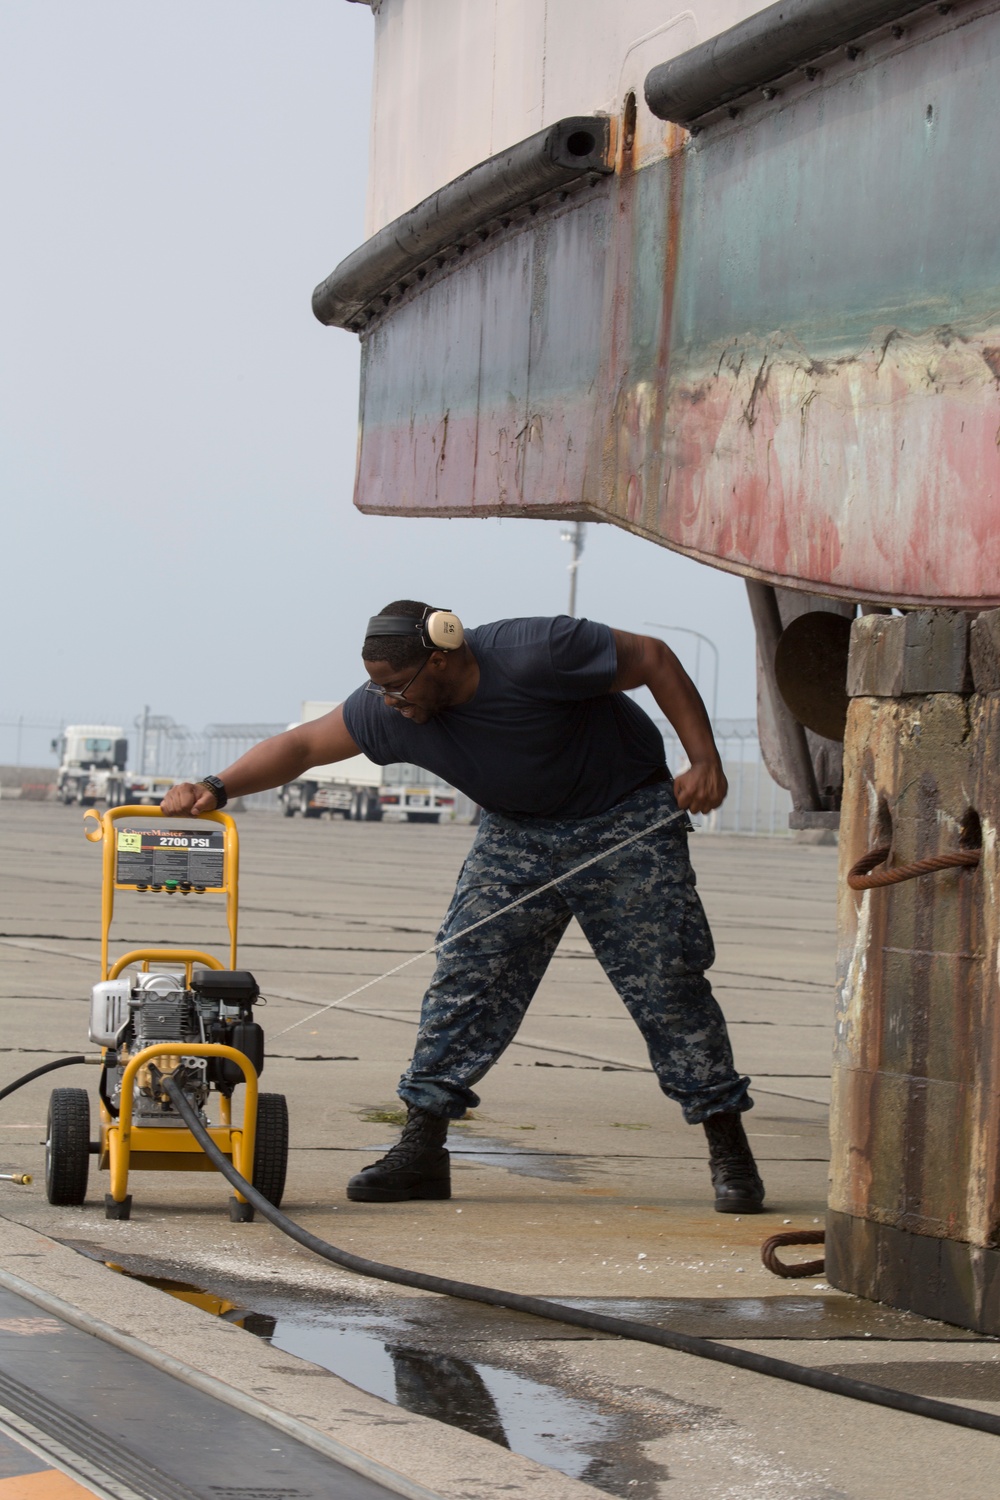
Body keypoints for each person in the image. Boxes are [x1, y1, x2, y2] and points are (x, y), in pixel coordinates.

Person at [163, 601, 765, 1214]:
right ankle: (421, 1150)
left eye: (398, 686)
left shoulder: (538, 651)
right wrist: (215, 788)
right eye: (379, 688)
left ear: (443, 656)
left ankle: (730, 1151)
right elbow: (304, 747)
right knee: (464, 981)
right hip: (516, 835)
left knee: (668, 985)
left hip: (623, 819)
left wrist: (704, 759)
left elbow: (653, 659)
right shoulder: (391, 708)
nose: (390, 702)